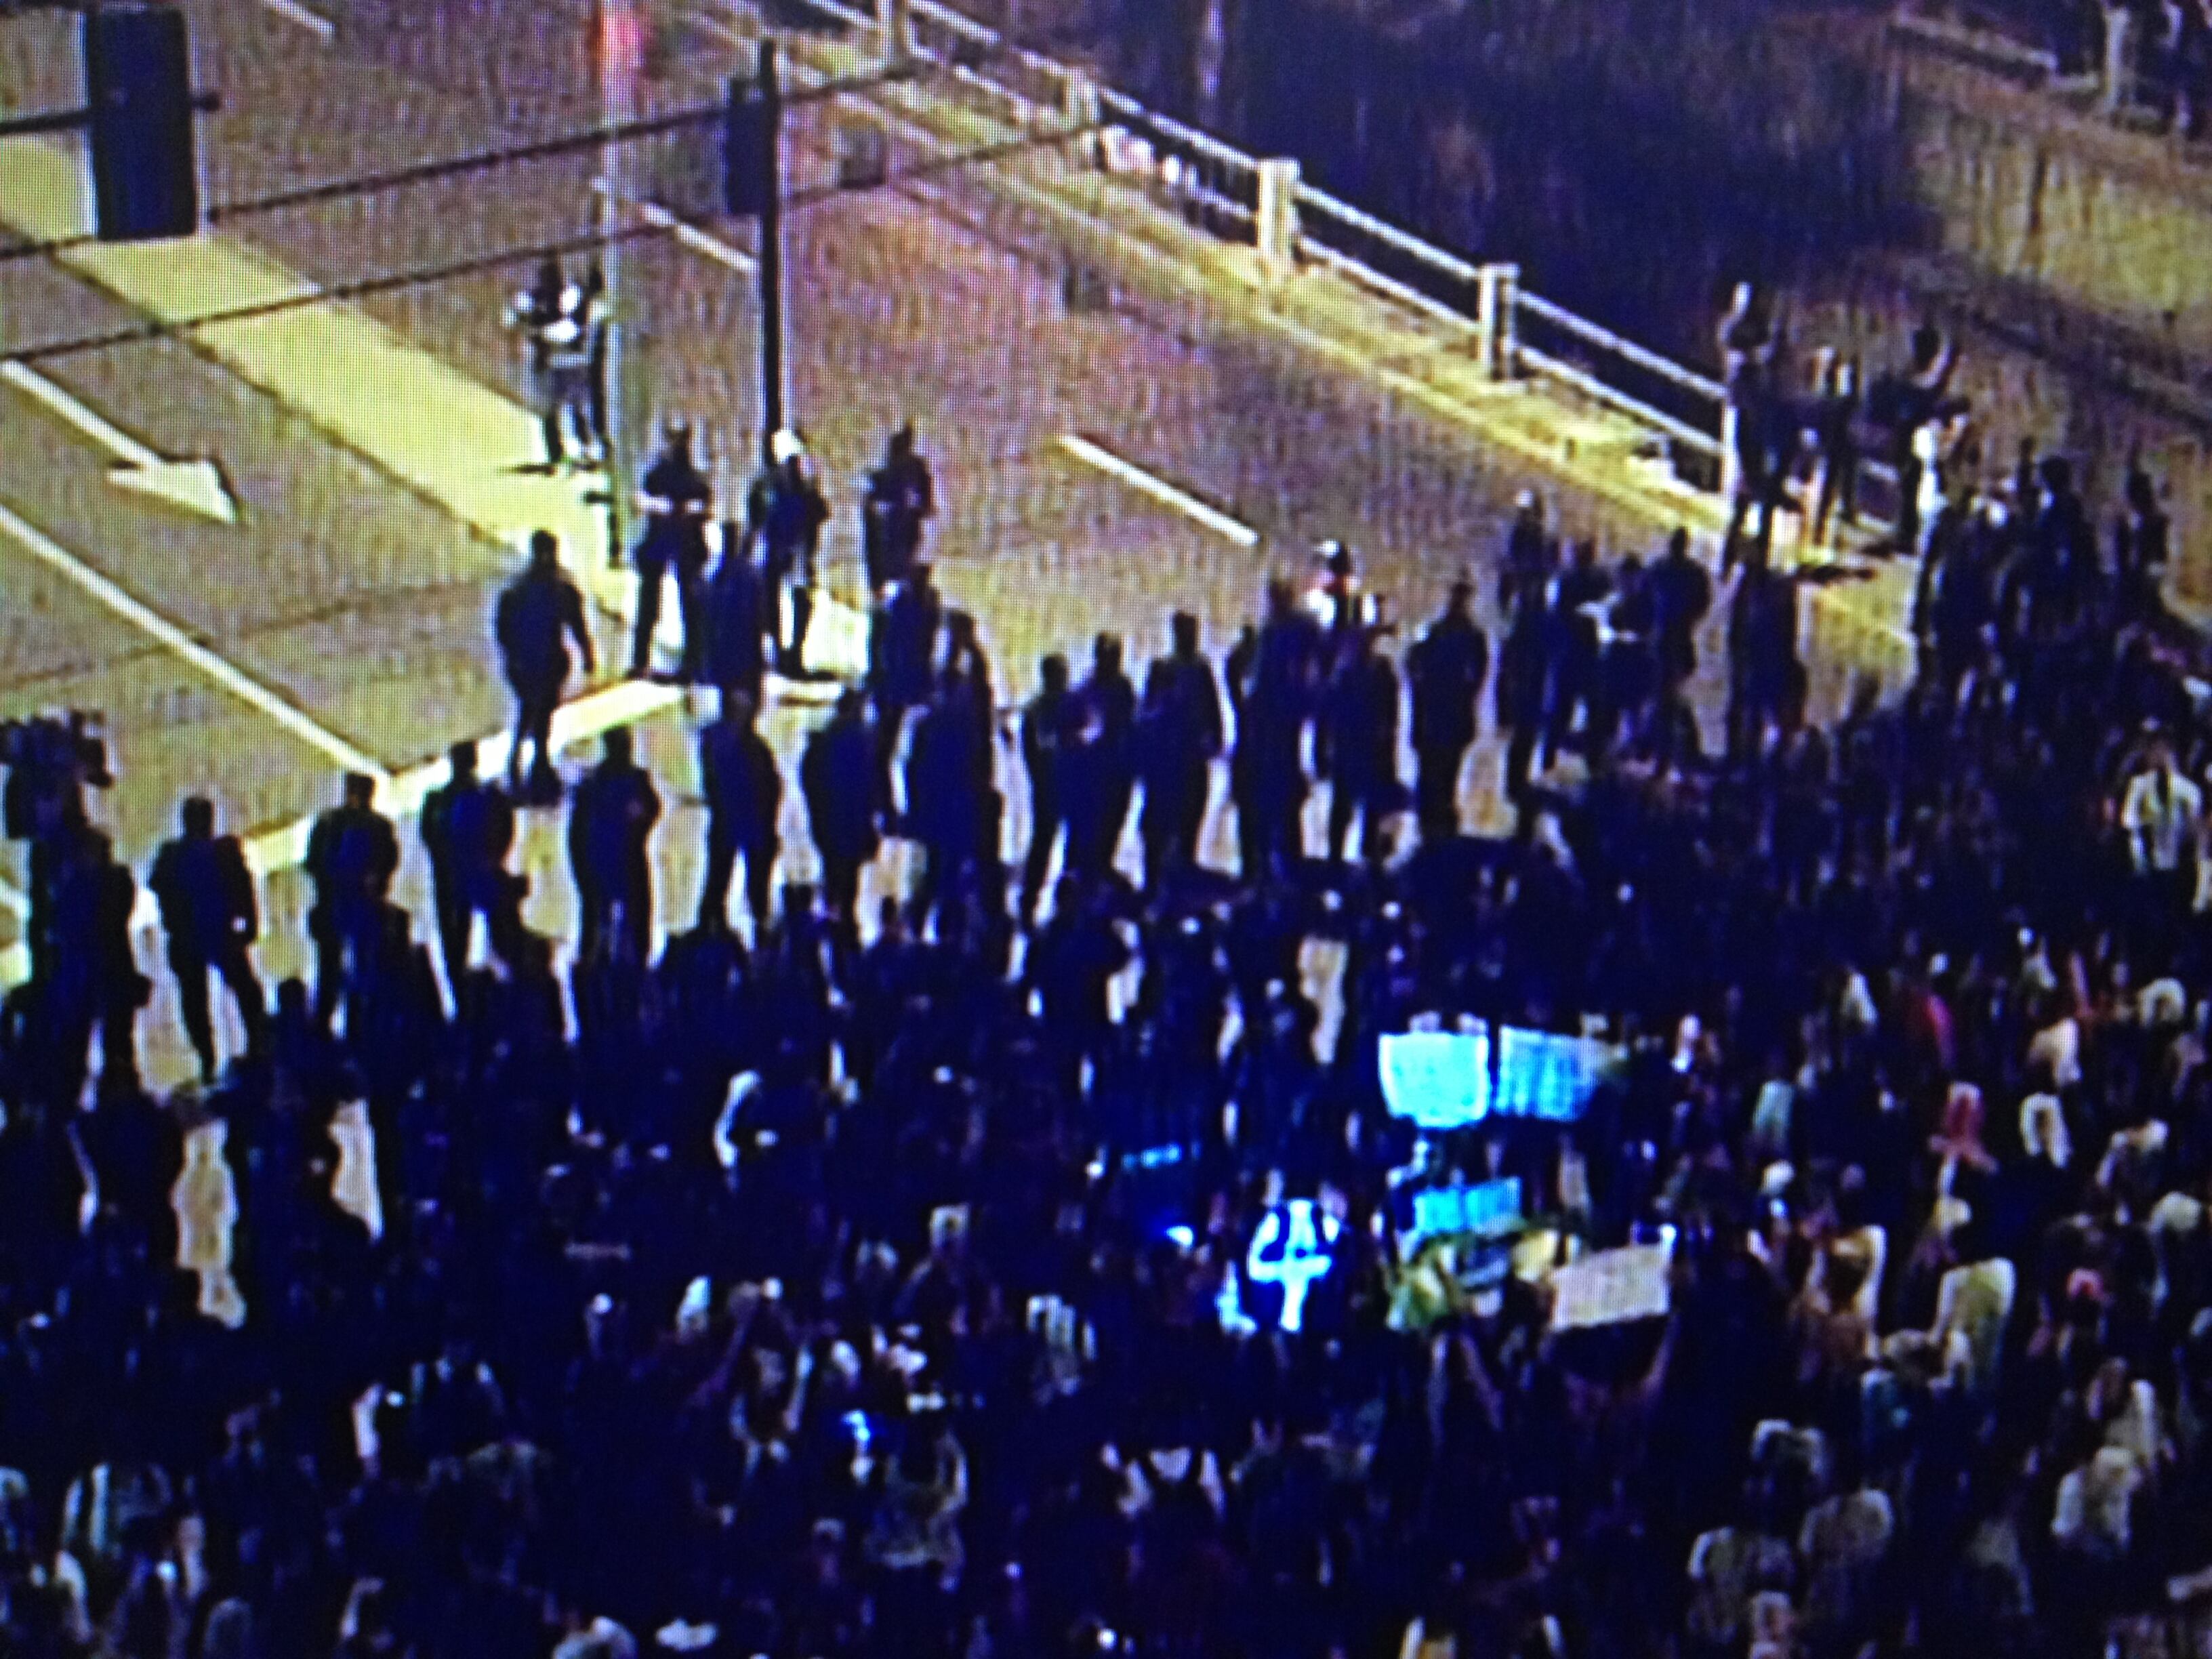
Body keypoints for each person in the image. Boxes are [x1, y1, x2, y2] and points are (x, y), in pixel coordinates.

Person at [147, 796, 266, 1084]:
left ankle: (216, 1055)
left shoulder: (179, 854)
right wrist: (250, 922)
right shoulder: (219, 851)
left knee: (203, 998)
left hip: (201, 934)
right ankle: (230, 1050)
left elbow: (158, 884)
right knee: (223, 994)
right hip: (209, 932)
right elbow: (243, 885)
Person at [496, 530, 596, 802]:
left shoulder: (520, 589)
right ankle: (533, 762)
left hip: (533, 662)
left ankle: (523, 761)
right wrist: (587, 654)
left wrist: (512, 656)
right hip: (543, 661)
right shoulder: (558, 589)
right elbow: (577, 624)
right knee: (538, 714)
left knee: (533, 712)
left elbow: (504, 628)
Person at [419, 739, 520, 991]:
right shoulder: (481, 796)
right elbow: (505, 826)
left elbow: (431, 837)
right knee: (476, 935)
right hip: (468, 873)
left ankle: (466, 991)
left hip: (459, 875)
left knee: (459, 940)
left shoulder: (442, 801)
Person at [304, 772, 401, 1030]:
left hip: (350, 905)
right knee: (342, 968)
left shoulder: (332, 823)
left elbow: (313, 863)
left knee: (350, 967)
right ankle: (338, 1022)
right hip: (348, 904)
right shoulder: (373, 826)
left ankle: (344, 1023)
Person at [1136, 611, 1224, 890]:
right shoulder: (1164, 668)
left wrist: (1215, 738)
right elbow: (1147, 712)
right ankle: (1160, 872)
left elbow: (1213, 707)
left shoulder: (1200, 667)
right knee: (1167, 812)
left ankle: (1186, 860)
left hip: (1193, 753)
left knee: (1194, 808)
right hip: (1170, 756)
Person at [569, 729, 661, 966]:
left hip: (618, 855)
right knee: (604, 914)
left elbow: (652, 809)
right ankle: (596, 960)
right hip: (607, 856)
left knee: (627, 913)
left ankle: (621, 959)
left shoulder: (600, 782)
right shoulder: (597, 783)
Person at [630, 419, 714, 682]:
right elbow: (641, 500)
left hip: (684, 545)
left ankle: (693, 662)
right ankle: (642, 659)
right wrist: (663, 507)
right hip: (662, 542)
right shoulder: (660, 475)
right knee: (650, 605)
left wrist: (689, 510)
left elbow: (706, 507)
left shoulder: (692, 479)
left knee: (690, 606)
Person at [1405, 576, 1488, 843]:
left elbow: (1476, 679)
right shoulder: (1450, 634)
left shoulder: (1455, 634)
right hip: (1441, 714)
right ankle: (1435, 825)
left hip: (1444, 714)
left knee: (1441, 773)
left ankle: (1436, 825)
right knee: (1437, 773)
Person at [1319, 614, 1401, 869]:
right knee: (1347, 805)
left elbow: (1390, 716)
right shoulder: (1346, 676)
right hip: (1354, 746)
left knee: (1361, 804)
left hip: (1363, 747)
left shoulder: (1365, 675)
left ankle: (1365, 852)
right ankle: (1346, 854)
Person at [697, 692, 782, 934]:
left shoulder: (725, 741)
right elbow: (770, 785)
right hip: (741, 819)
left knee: (725, 880)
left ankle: (719, 927)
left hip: (742, 820)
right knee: (726, 880)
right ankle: (746, 929)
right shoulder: (745, 744)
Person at [802, 688, 881, 933]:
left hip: (837, 820)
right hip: (848, 819)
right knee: (846, 874)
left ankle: (836, 916)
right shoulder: (859, 742)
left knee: (837, 872)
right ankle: (842, 917)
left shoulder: (828, 742)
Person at [754, 430, 831, 676]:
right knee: (775, 605)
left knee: (798, 603)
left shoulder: (798, 488)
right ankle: (781, 654)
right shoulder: (772, 486)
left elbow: (819, 513)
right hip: (778, 553)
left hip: (792, 555)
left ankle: (792, 654)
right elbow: (760, 519)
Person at [1066, 632, 1137, 885]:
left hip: (1118, 765)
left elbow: (1128, 723)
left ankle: (1103, 866)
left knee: (1115, 818)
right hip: (1094, 770)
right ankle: (1082, 872)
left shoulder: (1123, 687)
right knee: (1090, 824)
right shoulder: (1086, 689)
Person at [1020, 653, 1078, 926]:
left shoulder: (1064, 706)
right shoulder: (1040, 711)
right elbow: (1037, 751)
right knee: (1045, 844)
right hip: (1049, 786)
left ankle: (1063, 905)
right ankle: (1030, 903)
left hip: (1061, 784)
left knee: (1067, 845)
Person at [503, 257, 571, 473]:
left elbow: (567, 329)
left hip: (561, 359)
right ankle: (555, 454)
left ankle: (565, 454)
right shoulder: (535, 297)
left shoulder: (565, 300)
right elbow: (510, 319)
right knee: (546, 408)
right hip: (542, 359)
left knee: (561, 408)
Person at [863, 422, 936, 595]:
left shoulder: (912, 467)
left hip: (903, 521)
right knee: (895, 554)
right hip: (897, 522)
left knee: (902, 553)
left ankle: (902, 586)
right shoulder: (901, 469)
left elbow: (923, 491)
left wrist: (923, 507)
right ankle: (897, 586)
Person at [703, 518, 767, 709]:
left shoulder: (722, 574)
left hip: (732, 643)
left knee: (732, 687)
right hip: (742, 644)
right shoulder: (748, 574)